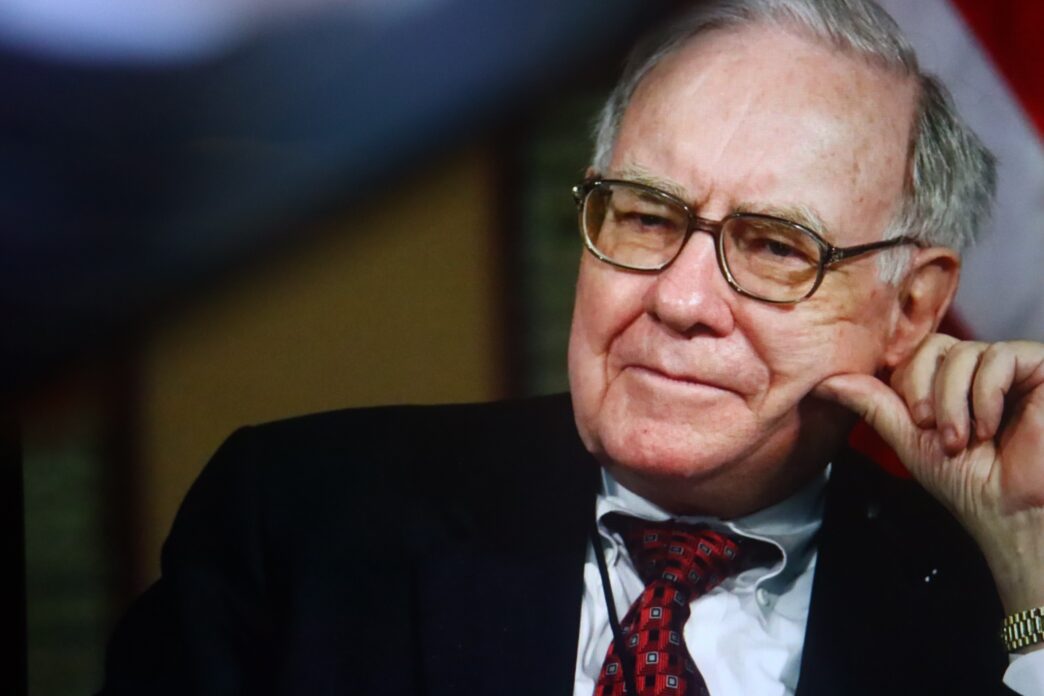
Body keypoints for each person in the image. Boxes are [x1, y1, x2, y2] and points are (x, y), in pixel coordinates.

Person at [98, 0, 1044, 694]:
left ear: (912, 309)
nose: (679, 299)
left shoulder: (996, 601)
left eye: (773, 246)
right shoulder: (299, 527)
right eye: (646, 216)